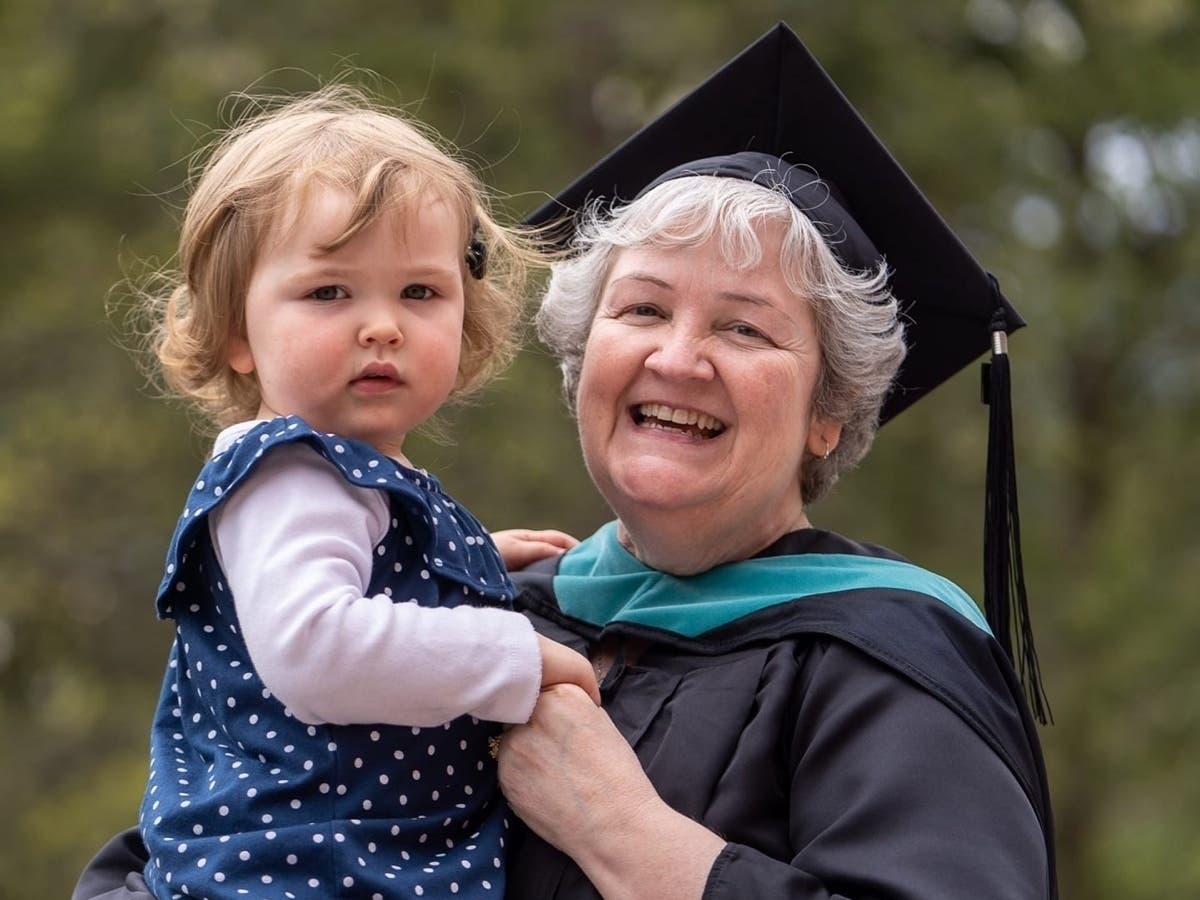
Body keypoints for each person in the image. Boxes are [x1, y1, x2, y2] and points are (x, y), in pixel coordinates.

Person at [74, 24, 1056, 900]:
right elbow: (200, 838)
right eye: (641, 310)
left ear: (829, 414)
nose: (677, 357)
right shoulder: (479, 610)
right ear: (583, 360)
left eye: (745, 328)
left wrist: (635, 843)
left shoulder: (888, 661)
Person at [115, 85, 599, 900]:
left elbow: (356, 575)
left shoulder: (333, 475)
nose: (383, 325)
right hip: (296, 874)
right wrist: (515, 656)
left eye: (419, 293)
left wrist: (468, 559)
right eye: (330, 293)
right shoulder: (289, 473)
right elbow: (316, 648)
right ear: (237, 332)